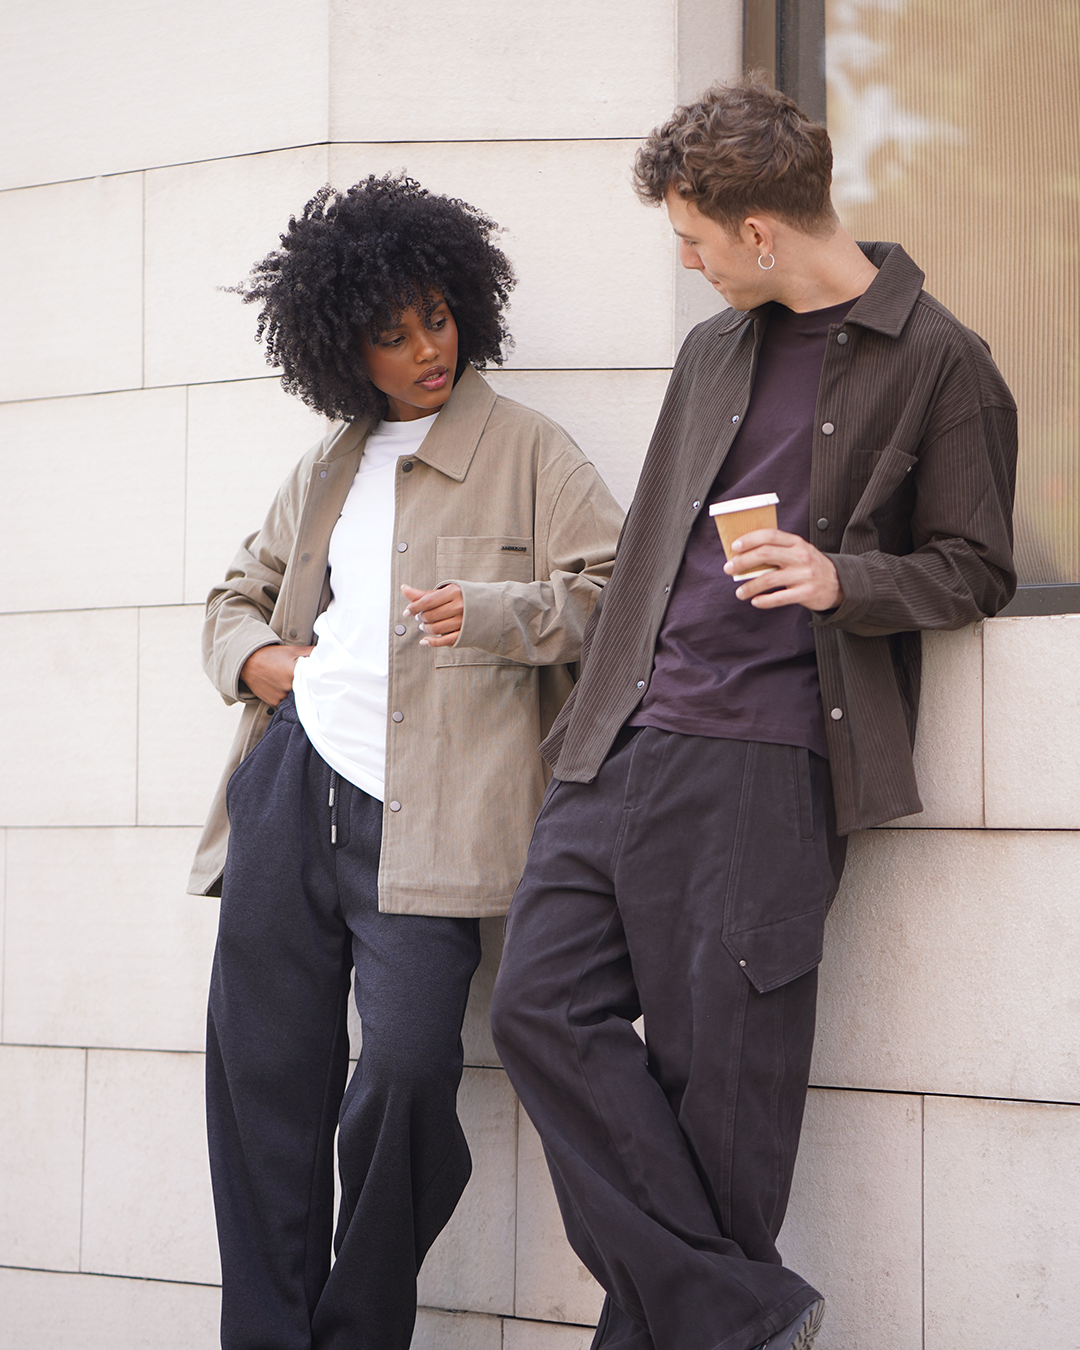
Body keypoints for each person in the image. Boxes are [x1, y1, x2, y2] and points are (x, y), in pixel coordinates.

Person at [489, 78, 1017, 1350]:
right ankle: (748, 1315)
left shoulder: (941, 361)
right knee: (537, 1008)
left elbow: (976, 565)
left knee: (718, 1107)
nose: (686, 258)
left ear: (761, 232)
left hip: (766, 765)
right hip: (620, 742)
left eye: (693, 236)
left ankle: (721, 1318)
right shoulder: (712, 351)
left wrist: (844, 578)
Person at [188, 173, 623, 1350]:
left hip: (429, 817)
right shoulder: (331, 465)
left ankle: (358, 1327)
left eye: (437, 316)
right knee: (265, 1089)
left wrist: (491, 615)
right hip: (289, 794)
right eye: (392, 335)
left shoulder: (529, 449)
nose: (428, 348)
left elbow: (615, 598)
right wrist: (263, 665)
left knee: (412, 1069)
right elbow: (234, 594)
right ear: (346, 352)